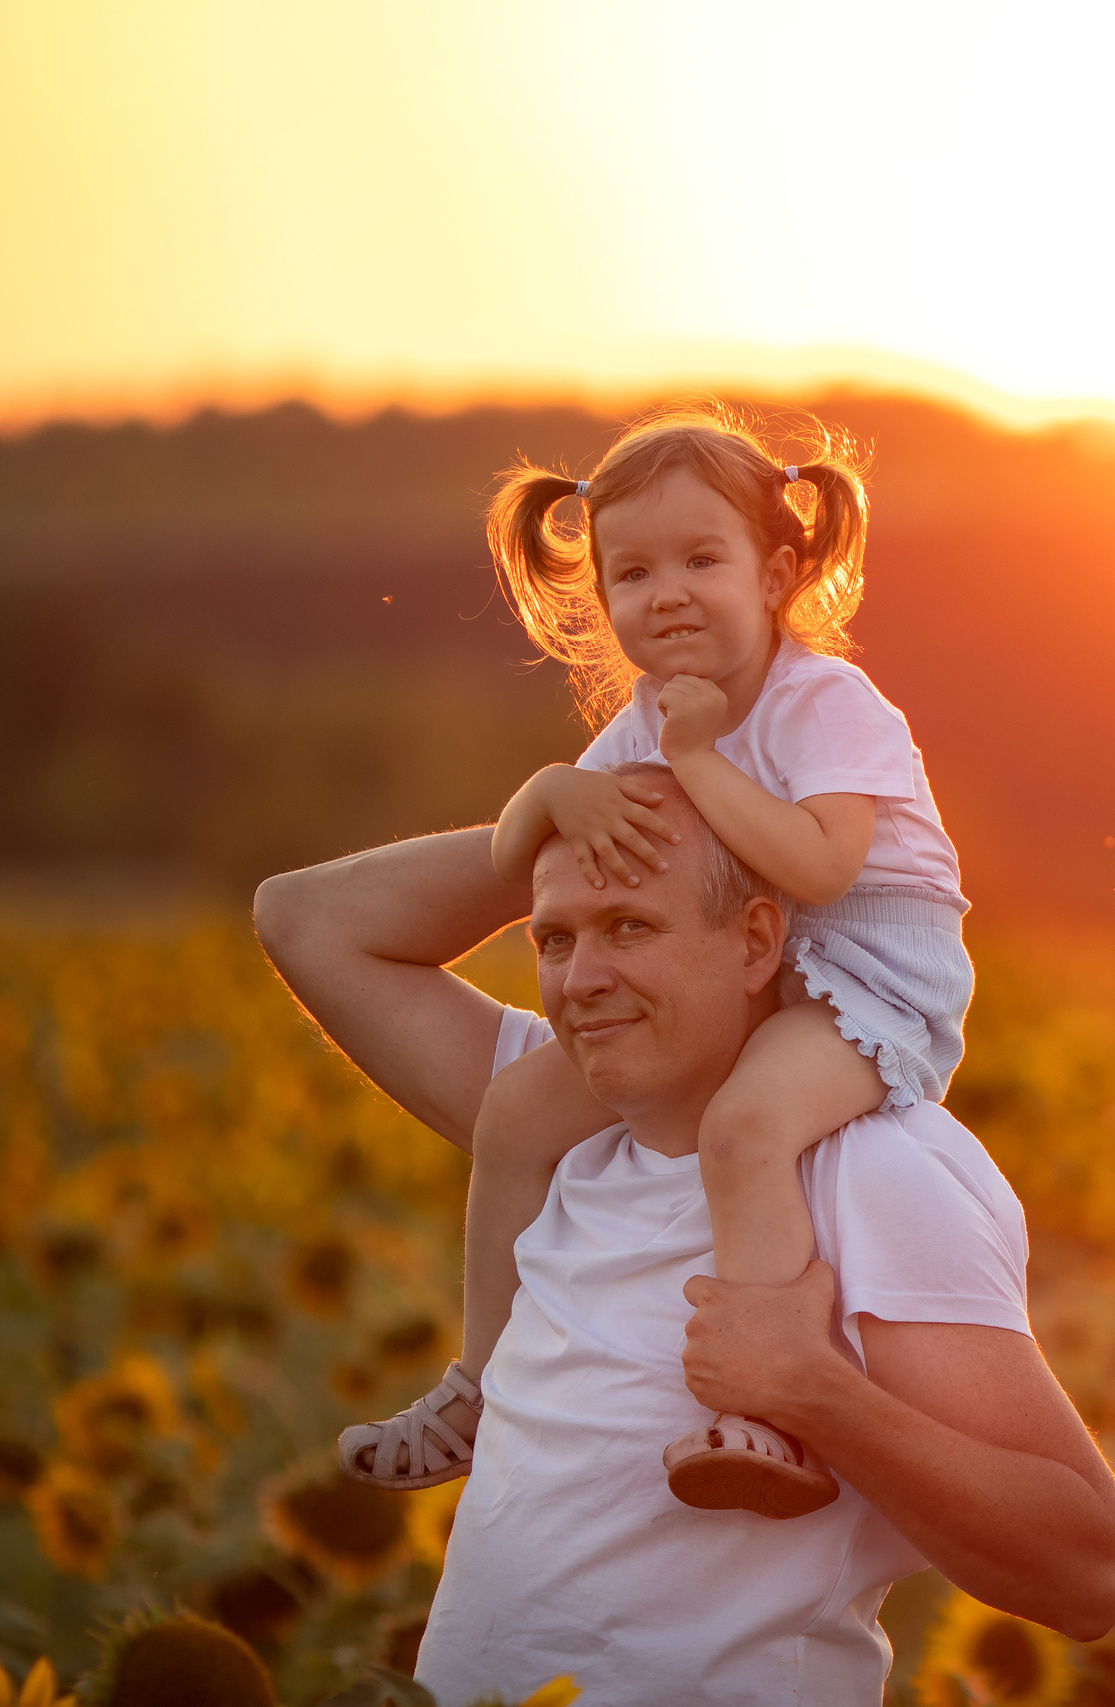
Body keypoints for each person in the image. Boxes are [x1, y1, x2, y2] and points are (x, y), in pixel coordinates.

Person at [252, 775, 1115, 1703]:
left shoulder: (865, 1171)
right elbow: (304, 917)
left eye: (631, 925)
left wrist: (814, 1391)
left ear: (756, 941)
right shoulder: (556, 1132)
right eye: (555, 937)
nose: (582, 977)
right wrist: (581, 818)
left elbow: (1083, 1567)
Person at [334, 406, 974, 1516]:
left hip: (872, 979)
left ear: (775, 572)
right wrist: (551, 792)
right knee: (516, 1119)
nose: (666, 591)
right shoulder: (637, 723)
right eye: (631, 573)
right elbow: (512, 855)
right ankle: (480, 1387)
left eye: (700, 559)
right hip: (751, 972)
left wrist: (690, 757)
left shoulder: (826, 703)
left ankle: (770, 1419)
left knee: (745, 1128)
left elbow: (822, 869)